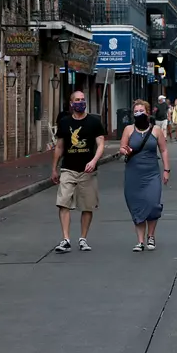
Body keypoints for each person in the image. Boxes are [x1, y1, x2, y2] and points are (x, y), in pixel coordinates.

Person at [51, 90, 105, 253]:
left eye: (83, 99)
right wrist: (54, 168)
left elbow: (101, 144)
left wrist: (94, 161)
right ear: (71, 103)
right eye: (77, 100)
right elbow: (59, 146)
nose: (80, 102)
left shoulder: (94, 122)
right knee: (63, 202)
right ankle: (66, 239)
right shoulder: (64, 122)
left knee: (87, 206)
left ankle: (83, 238)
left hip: (87, 170)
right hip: (68, 168)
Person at [119, 99, 171, 251]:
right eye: (136, 112)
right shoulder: (128, 130)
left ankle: (151, 236)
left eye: (141, 111)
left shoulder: (156, 130)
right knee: (137, 205)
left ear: (147, 113)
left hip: (151, 173)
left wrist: (166, 170)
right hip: (133, 174)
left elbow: (164, 150)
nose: (138, 114)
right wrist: (125, 150)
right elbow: (122, 147)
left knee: (153, 204)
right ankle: (140, 241)